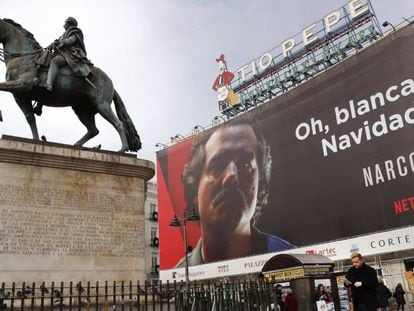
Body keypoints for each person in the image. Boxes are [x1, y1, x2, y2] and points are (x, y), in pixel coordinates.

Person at [175, 116, 294, 267]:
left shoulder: (289, 260)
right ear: (195, 190)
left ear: (260, 183)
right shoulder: (180, 274)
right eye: (217, 166)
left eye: (245, 165)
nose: (232, 176)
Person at [44, 17, 91, 91]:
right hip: (63, 53)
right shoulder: (64, 34)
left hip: (71, 54)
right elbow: (56, 42)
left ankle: (49, 84)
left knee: (54, 61)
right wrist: (48, 47)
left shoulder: (75, 32)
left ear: (69, 23)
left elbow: (70, 41)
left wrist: (59, 43)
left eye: (65, 23)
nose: (63, 25)